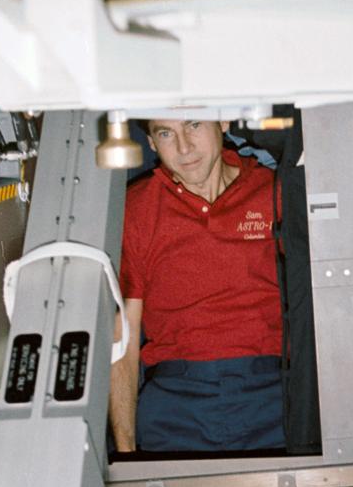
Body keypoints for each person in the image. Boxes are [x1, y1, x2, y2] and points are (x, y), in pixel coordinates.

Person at [111, 119, 284, 453]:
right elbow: (123, 335)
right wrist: (125, 451)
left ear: (222, 121)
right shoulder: (137, 209)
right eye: (166, 133)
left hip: (273, 396)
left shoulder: (274, 193)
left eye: (193, 125)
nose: (184, 146)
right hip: (176, 403)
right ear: (150, 143)